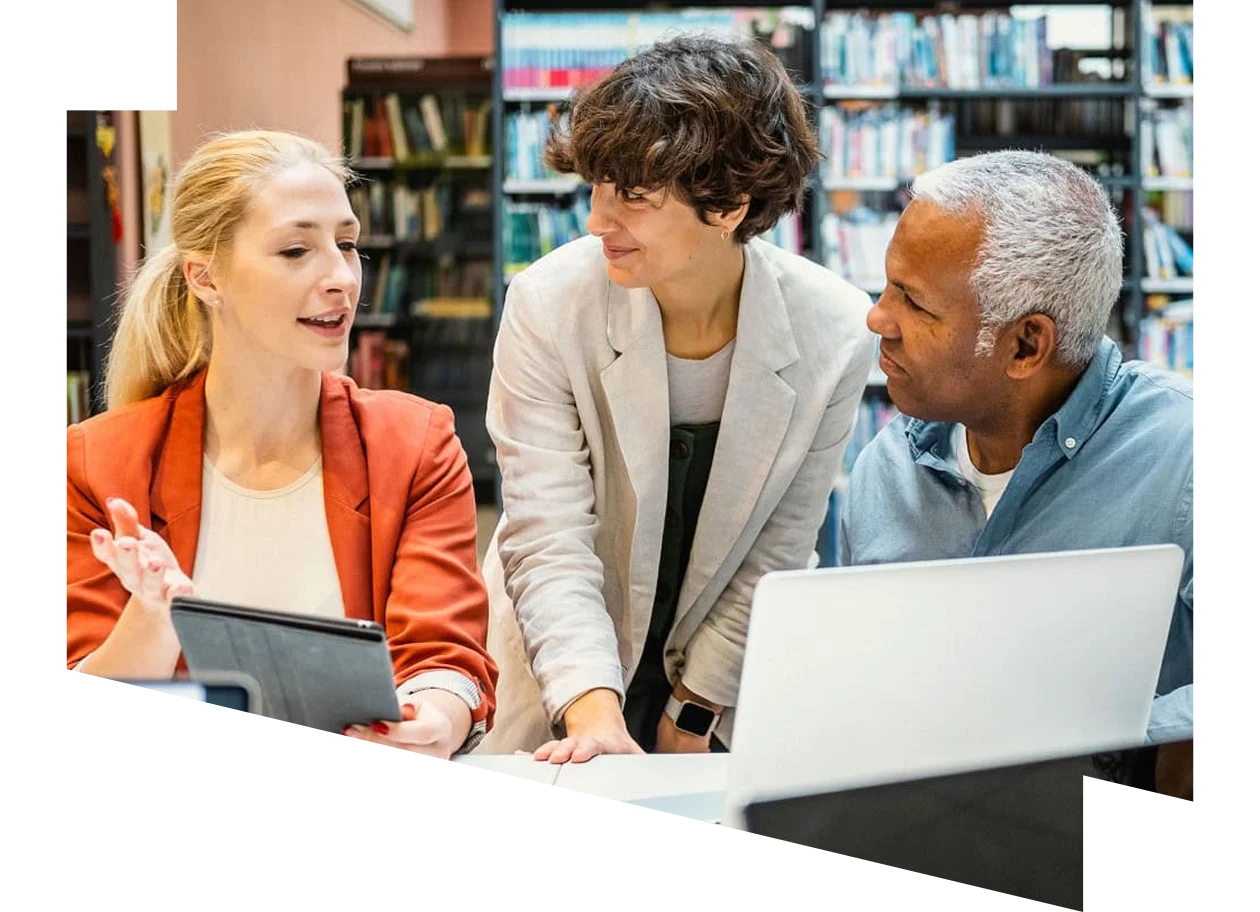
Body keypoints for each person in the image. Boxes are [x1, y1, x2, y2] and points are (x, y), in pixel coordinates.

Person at [478, 36, 874, 759]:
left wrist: (693, 710)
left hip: (716, 673)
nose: (598, 221)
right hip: (561, 661)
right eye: (596, 186)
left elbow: (778, 549)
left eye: (632, 195)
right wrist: (594, 719)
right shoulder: (547, 304)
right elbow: (547, 533)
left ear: (728, 205)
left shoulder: (837, 332)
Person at [64, 130, 497, 759]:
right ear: (205, 277)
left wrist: (436, 716)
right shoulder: (98, 461)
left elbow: (442, 654)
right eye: (296, 250)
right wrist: (153, 615)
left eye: (347, 245)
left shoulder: (415, 444)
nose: (341, 278)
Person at [840, 150, 1197, 751]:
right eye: (886, 285)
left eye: (915, 302)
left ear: (1026, 345)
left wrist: (1094, 746)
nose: (878, 317)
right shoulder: (886, 468)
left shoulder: (1184, 455)